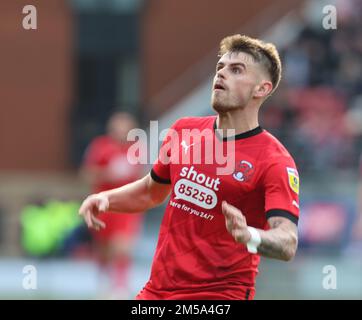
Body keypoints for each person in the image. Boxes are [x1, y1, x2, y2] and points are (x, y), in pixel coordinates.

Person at [79, 35, 300, 300]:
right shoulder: (185, 130)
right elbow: (151, 191)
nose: (221, 75)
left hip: (219, 296)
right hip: (158, 292)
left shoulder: (274, 160)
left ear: (261, 89)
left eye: (236, 70)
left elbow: (287, 242)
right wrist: (106, 198)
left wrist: (250, 235)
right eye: (220, 67)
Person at [80, 111, 144, 298]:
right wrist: (109, 173)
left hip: (127, 206)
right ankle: (104, 280)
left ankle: (121, 287)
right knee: (104, 247)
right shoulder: (100, 147)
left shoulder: (137, 149)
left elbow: (144, 178)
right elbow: (87, 174)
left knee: (122, 244)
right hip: (104, 204)